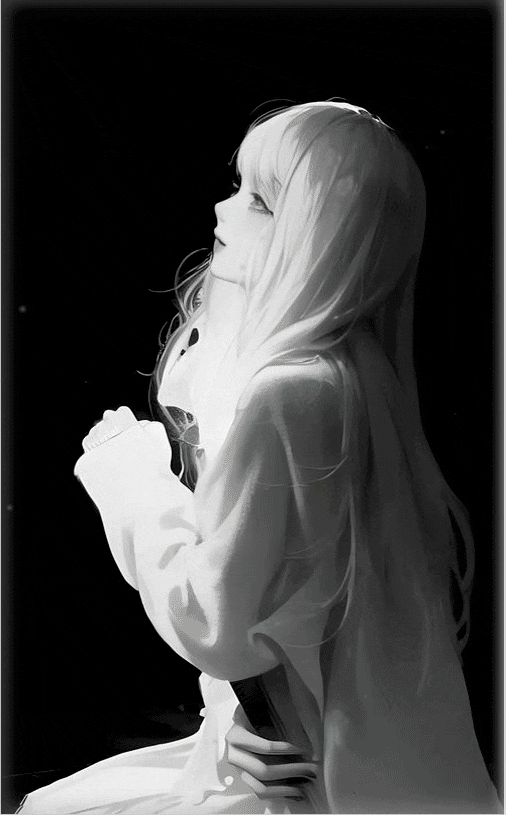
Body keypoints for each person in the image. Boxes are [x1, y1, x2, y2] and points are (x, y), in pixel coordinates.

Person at [17, 101, 502, 815]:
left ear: (320, 238)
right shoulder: (346, 374)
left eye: (261, 201)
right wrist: (233, 725)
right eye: (237, 185)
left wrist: (129, 475)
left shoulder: (294, 395)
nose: (223, 208)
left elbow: (213, 622)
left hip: (330, 782)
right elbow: (285, 612)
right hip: (303, 755)